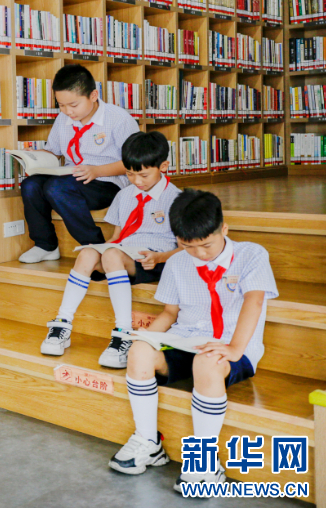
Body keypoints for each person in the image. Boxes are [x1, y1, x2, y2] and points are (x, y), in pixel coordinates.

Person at [109, 189, 278, 494]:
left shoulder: (252, 255)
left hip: (230, 347)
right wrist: (147, 337)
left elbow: (254, 302)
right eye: (188, 246)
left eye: (206, 245)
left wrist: (234, 348)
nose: (200, 254)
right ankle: (148, 441)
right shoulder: (177, 263)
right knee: (139, 352)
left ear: (224, 229)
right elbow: (169, 313)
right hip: (185, 340)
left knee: (207, 361)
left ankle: (204, 461)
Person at [41, 131, 182, 368]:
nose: (137, 181)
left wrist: (160, 257)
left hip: (158, 260)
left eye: (143, 175)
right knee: (88, 253)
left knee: (112, 254)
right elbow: (117, 238)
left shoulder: (177, 199)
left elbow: (187, 248)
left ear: (164, 166)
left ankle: (123, 333)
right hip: (125, 255)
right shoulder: (124, 195)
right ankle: (62, 323)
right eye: (130, 174)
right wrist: (102, 247)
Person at [19, 64, 140, 264]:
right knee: (30, 185)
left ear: (93, 95)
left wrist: (96, 171)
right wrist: (34, 157)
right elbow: (53, 151)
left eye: (73, 105)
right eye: (61, 105)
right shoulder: (63, 118)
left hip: (107, 181)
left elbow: (136, 163)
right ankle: (45, 245)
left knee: (56, 188)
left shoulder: (118, 119)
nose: (68, 111)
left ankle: (95, 247)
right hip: (72, 177)